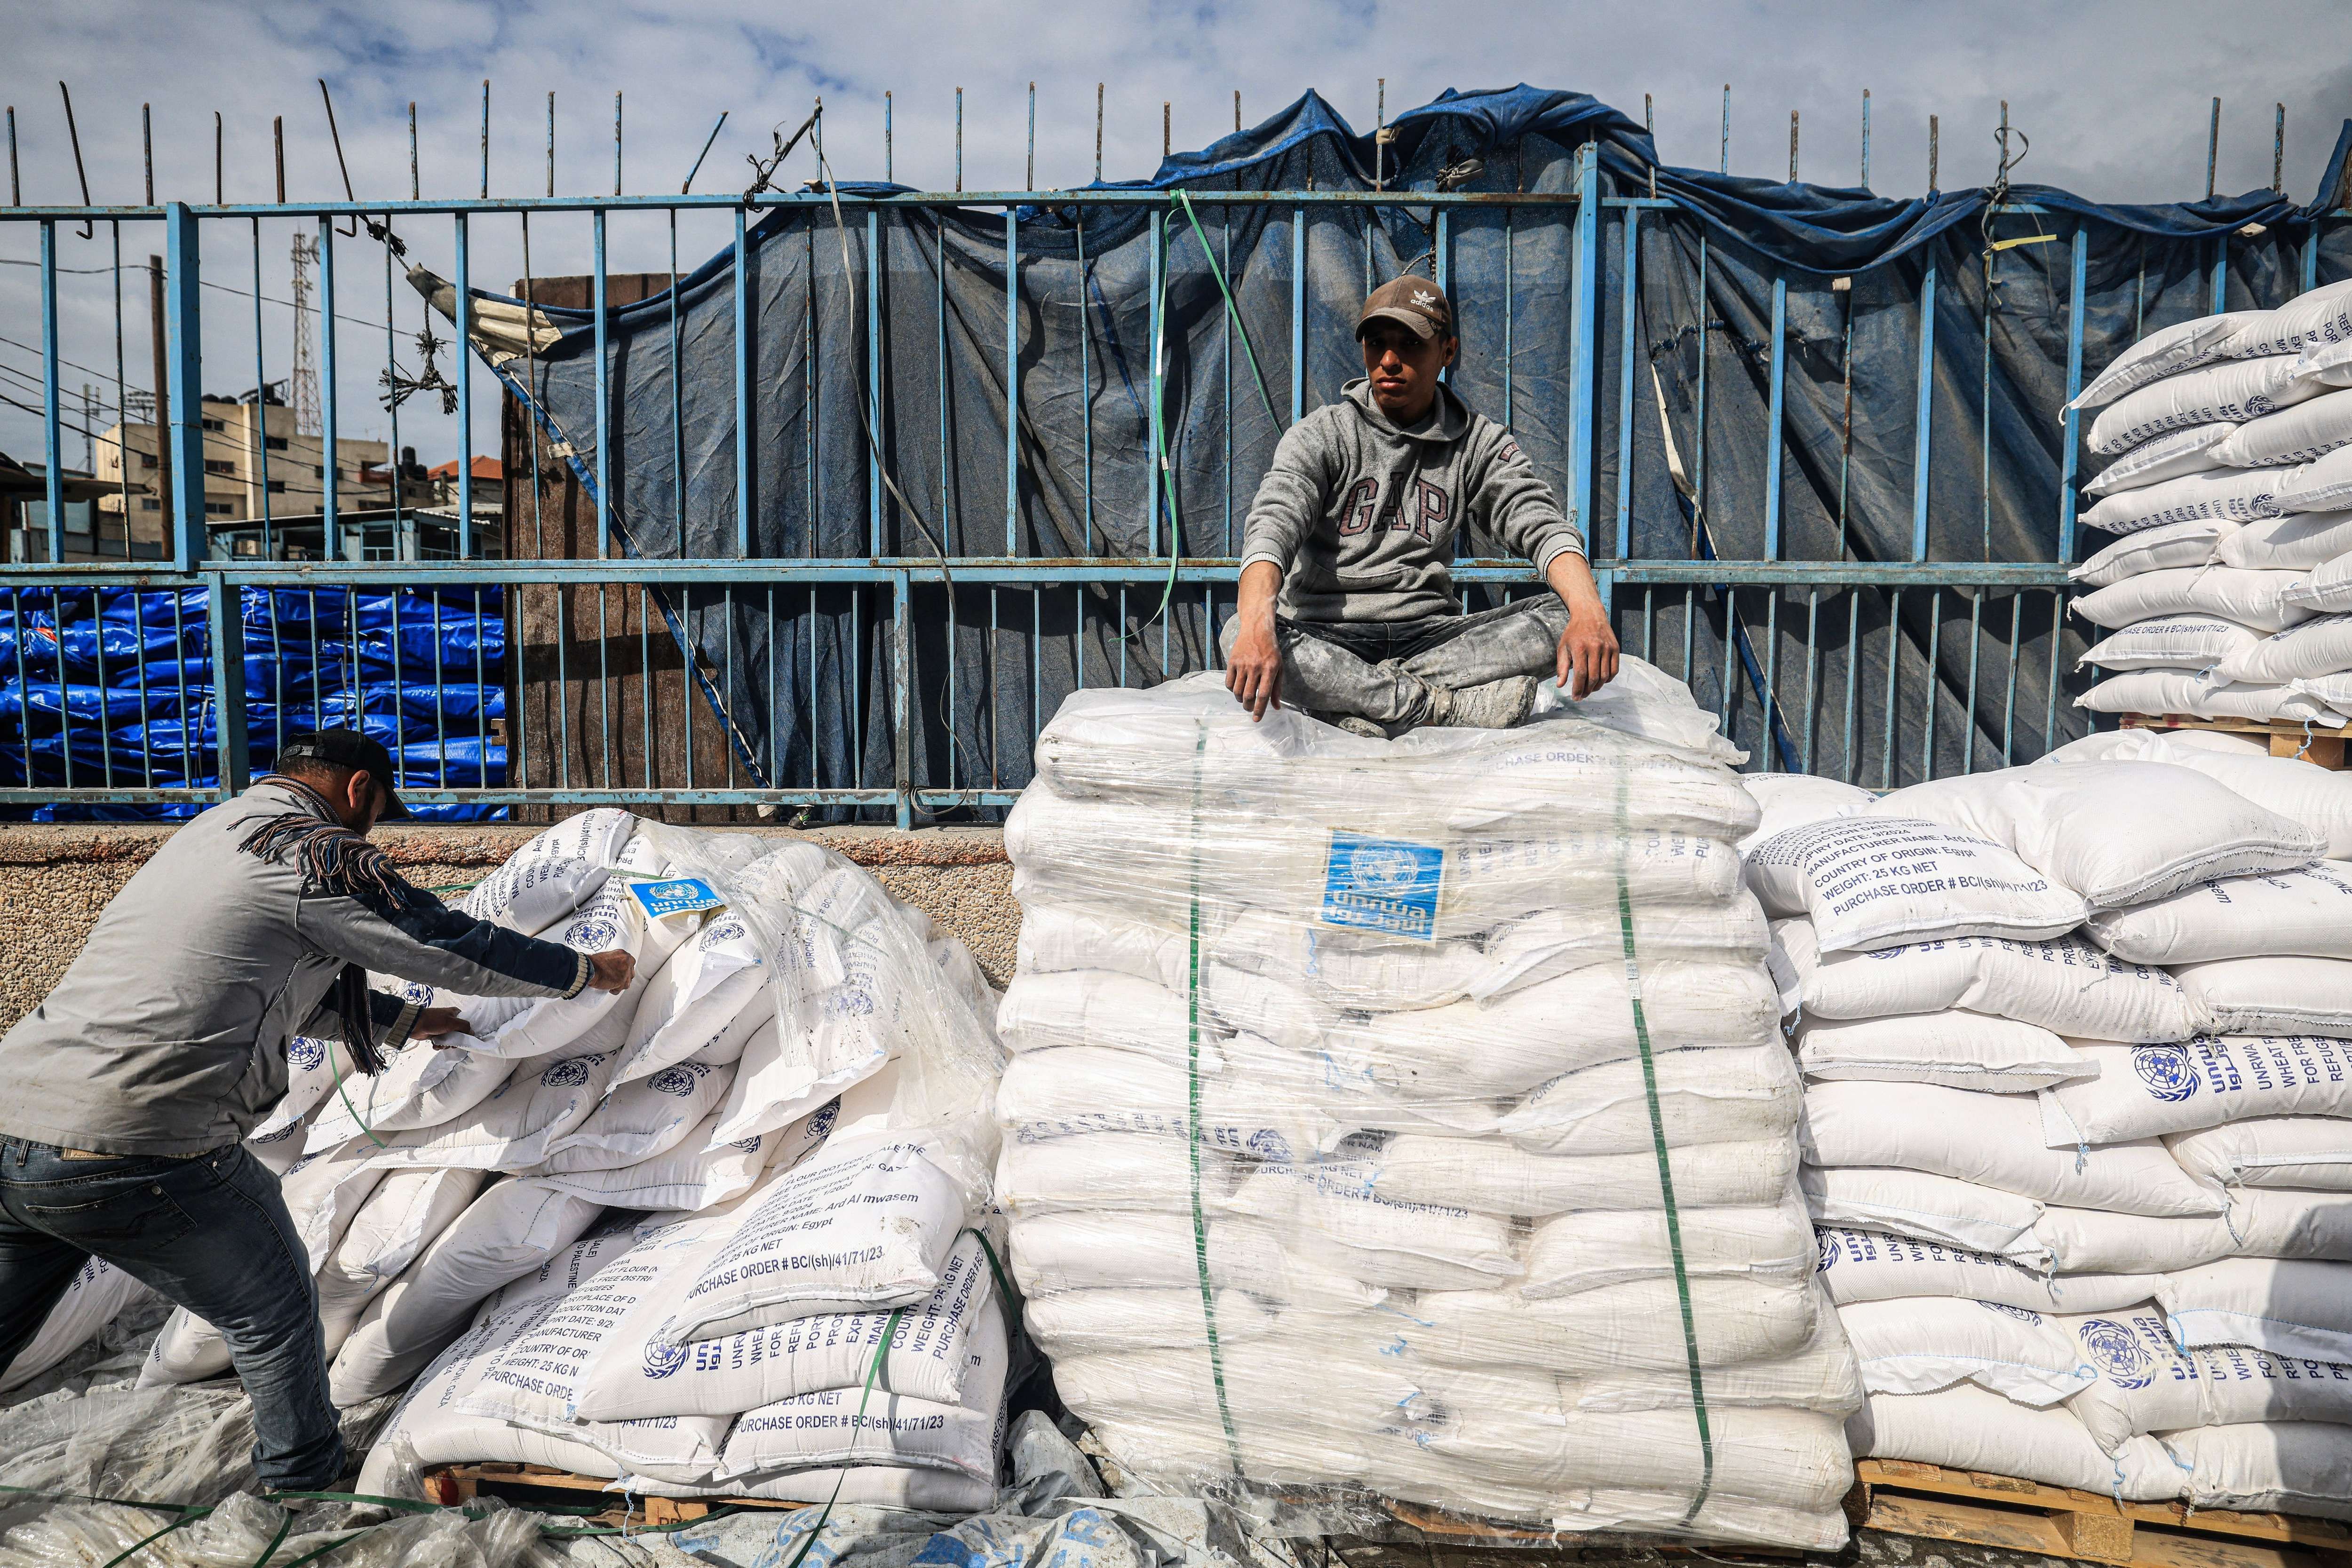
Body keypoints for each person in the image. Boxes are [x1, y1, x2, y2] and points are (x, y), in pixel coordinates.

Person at [0, 729, 636, 1492]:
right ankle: (304, 1481)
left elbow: (268, 980)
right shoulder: (311, 851)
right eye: (375, 811)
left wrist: (404, 1021)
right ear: (360, 788)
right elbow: (437, 938)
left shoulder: (215, 832)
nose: (370, 829)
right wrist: (579, 969)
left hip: (17, 1119)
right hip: (138, 1131)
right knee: (271, 1306)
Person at [1223, 274, 1620, 734]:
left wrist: (1590, 614)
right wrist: (1257, 626)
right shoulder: (1322, 435)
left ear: (1447, 352)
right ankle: (1433, 708)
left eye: (1410, 343)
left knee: (1568, 614)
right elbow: (1273, 525)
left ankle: (1361, 702)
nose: (1389, 361)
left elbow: (1539, 523)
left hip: (1432, 640)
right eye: (1377, 344)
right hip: (1328, 633)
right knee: (1238, 629)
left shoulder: (1476, 442)